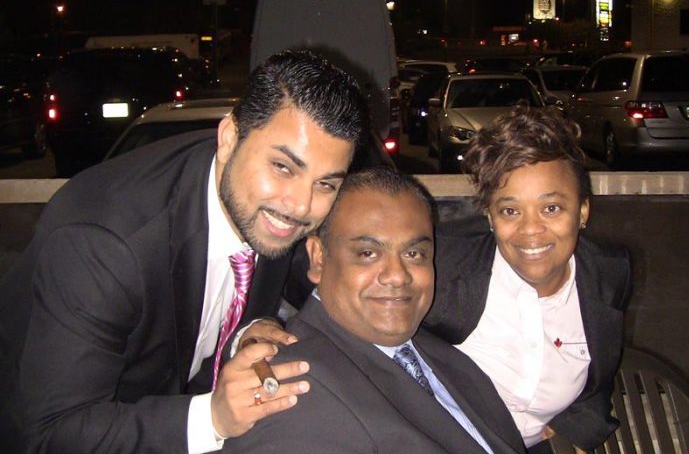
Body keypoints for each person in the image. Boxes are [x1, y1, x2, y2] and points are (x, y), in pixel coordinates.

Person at [4, 50, 369, 453]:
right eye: (283, 167)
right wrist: (214, 417)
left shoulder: (255, 196)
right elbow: (54, 433)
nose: (301, 206)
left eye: (326, 184)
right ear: (230, 138)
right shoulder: (104, 244)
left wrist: (244, 333)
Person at [223, 168, 526, 454]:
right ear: (318, 258)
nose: (397, 275)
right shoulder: (292, 393)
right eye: (367, 253)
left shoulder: (446, 357)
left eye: (413, 253)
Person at [423, 106, 633, 453]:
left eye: (551, 208)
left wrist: (580, 428)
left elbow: (600, 373)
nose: (531, 230)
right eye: (510, 210)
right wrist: (304, 336)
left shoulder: (608, 274)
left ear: (582, 211)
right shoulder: (444, 265)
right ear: (489, 215)